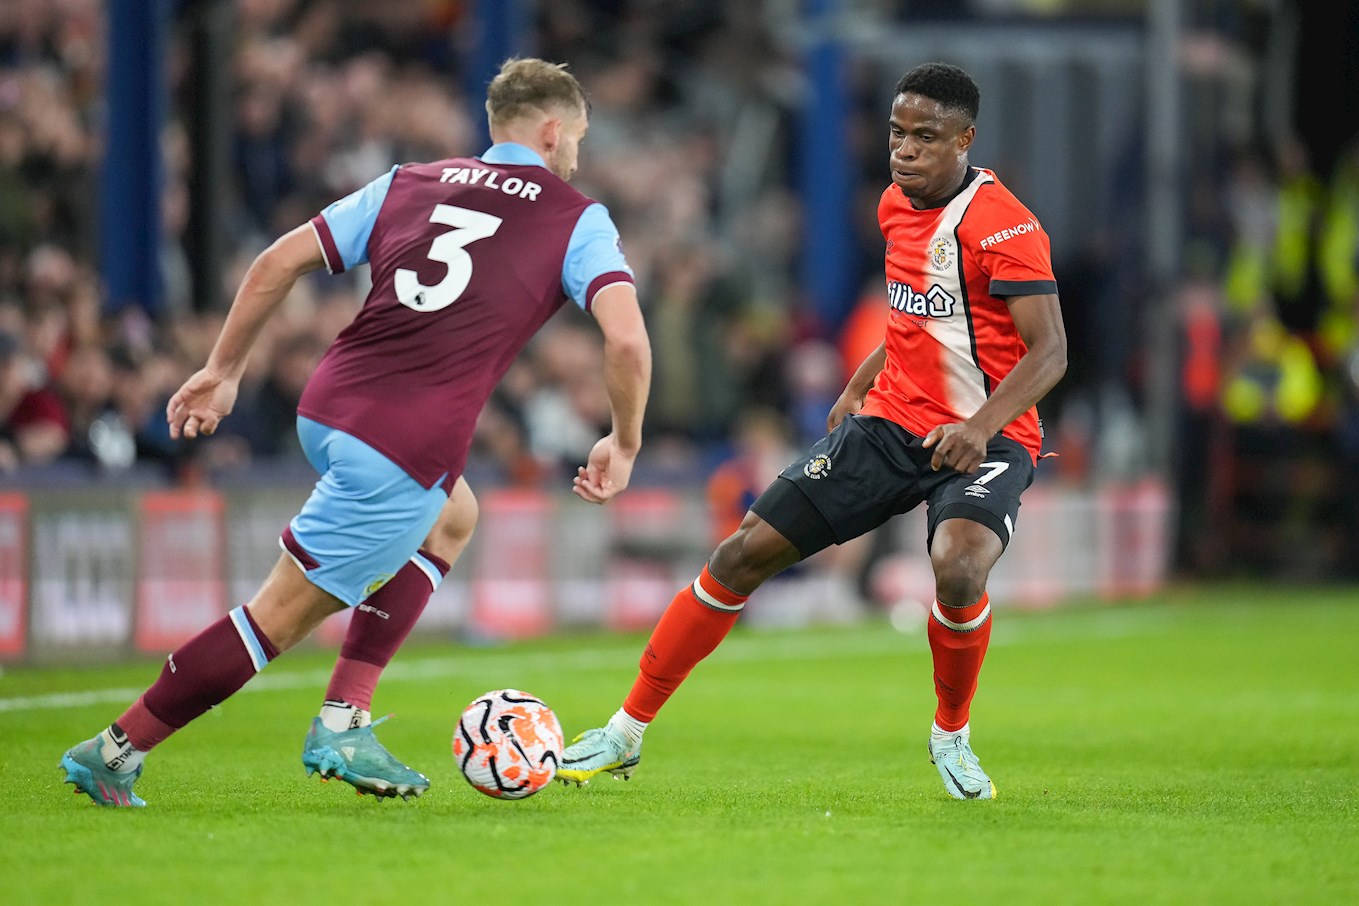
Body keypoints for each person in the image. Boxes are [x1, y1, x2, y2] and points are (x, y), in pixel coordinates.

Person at [59, 57, 652, 807]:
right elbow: (627, 342)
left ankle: (346, 713)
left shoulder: (410, 179)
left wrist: (224, 368)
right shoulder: (575, 215)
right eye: (577, 140)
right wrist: (624, 442)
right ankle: (117, 749)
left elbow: (277, 261)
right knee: (276, 617)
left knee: (455, 514)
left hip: (330, 405)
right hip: (404, 443)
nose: (576, 155)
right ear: (553, 130)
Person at [556, 61, 1066, 801]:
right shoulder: (894, 204)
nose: (906, 149)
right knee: (739, 554)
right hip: (891, 423)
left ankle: (950, 735)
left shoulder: (1007, 226)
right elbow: (925, 312)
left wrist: (979, 426)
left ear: (964, 140)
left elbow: (1049, 350)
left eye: (925, 136)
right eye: (897, 132)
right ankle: (623, 731)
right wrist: (863, 378)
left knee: (958, 569)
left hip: (988, 436)